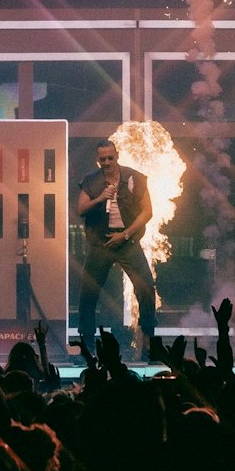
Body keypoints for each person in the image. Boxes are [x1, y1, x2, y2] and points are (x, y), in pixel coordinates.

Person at [75, 138, 157, 355]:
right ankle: (87, 346)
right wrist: (100, 198)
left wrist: (125, 234)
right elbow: (81, 209)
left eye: (110, 157)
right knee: (87, 294)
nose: (107, 162)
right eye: (103, 159)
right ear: (98, 160)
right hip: (100, 244)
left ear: (117, 155)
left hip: (127, 242)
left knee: (146, 289)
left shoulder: (134, 177)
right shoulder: (91, 181)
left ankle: (149, 344)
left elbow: (147, 211)